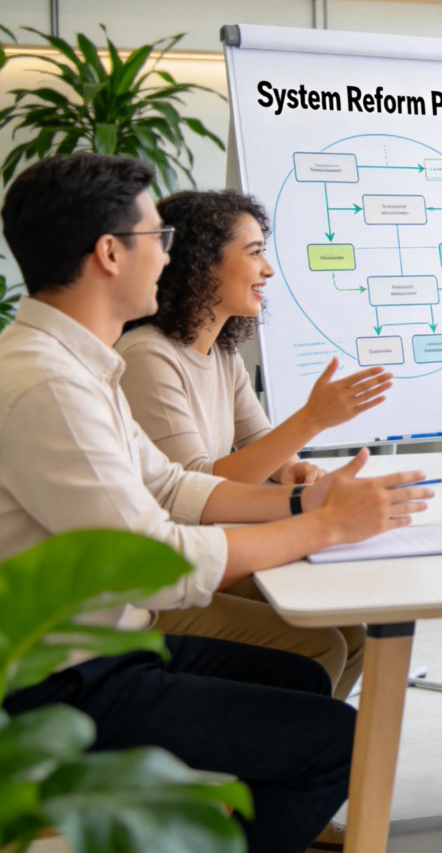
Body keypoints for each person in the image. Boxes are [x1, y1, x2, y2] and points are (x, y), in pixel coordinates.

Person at [0, 153, 434, 853]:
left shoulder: (82, 364)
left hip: (110, 647)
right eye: (157, 239)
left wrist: (304, 503)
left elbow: (172, 485)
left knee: (299, 676)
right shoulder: (50, 383)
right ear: (110, 253)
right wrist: (321, 523)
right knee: (342, 742)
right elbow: (152, 563)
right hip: (63, 681)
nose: (167, 257)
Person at [116, 189, 387, 699]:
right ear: (202, 262)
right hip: (175, 566)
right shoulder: (148, 355)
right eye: (254, 252)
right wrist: (310, 421)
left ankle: (308, 758)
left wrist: (294, 471)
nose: (268, 270)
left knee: (352, 635)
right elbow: (194, 489)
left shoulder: (221, 351)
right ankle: (291, 758)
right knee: (322, 645)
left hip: (217, 549)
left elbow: (262, 444)